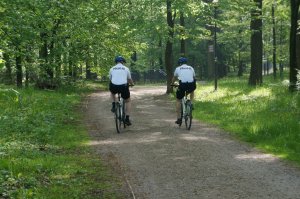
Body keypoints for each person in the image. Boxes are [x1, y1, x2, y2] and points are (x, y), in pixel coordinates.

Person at [109, 56, 134, 125]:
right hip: (123, 87)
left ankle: (114, 104)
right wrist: (132, 84)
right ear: (122, 62)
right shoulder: (126, 68)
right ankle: (127, 119)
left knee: (112, 92)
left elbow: (110, 79)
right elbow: (129, 79)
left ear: (116, 62)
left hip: (114, 86)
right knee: (128, 101)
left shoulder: (112, 69)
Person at [171, 57, 197, 125]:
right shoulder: (191, 68)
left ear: (180, 63)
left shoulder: (177, 68)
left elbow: (174, 78)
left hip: (182, 85)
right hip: (191, 85)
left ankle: (179, 118)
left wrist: (172, 84)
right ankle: (191, 102)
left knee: (178, 100)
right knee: (192, 90)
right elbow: (194, 78)